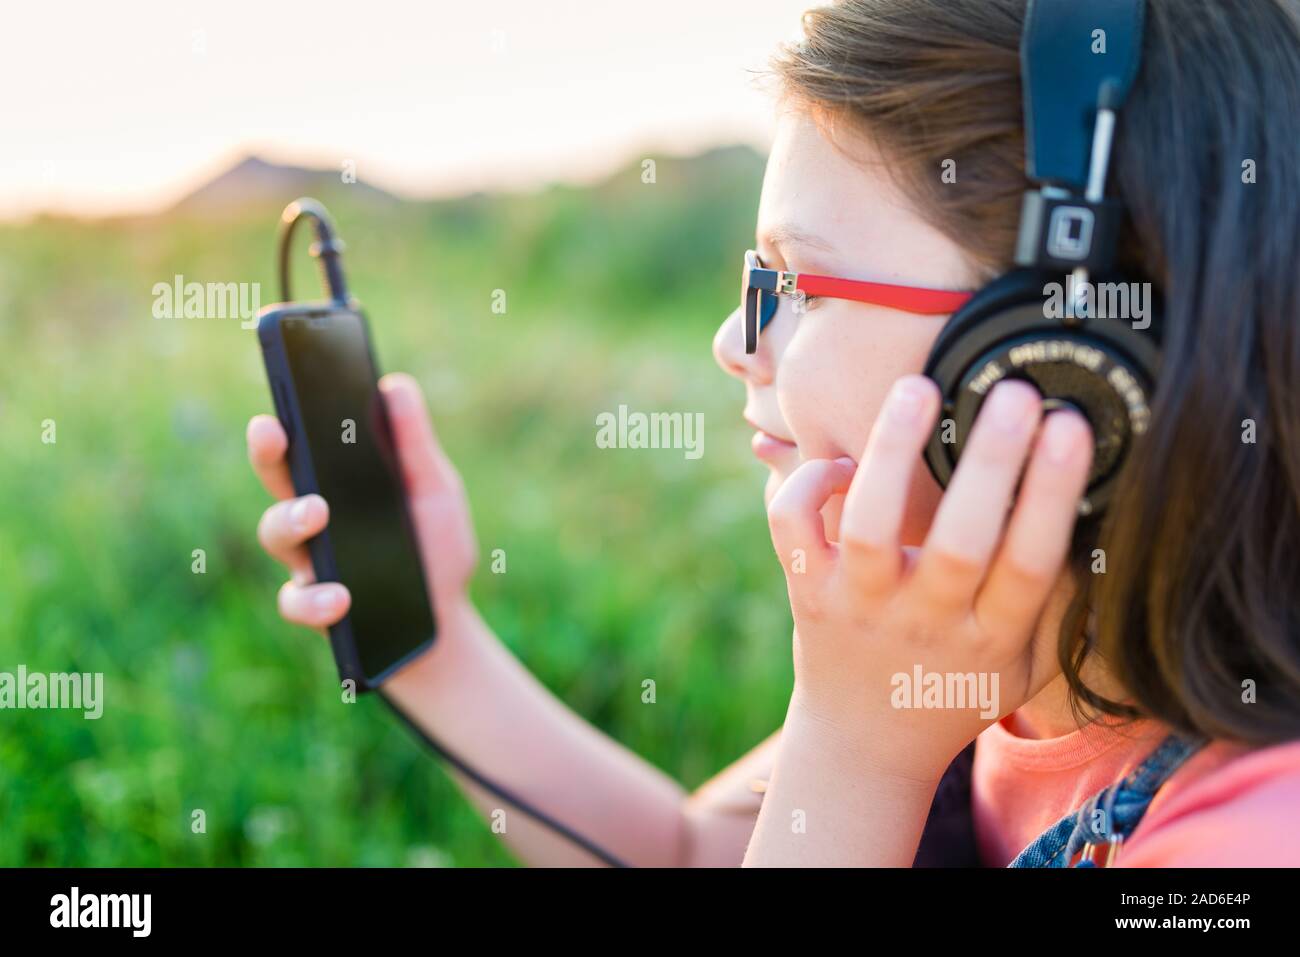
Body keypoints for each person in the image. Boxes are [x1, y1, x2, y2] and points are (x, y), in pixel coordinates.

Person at [245, 0, 1300, 866]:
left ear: (1053, 352)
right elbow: (687, 853)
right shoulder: (938, 645)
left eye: (789, 282)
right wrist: (434, 638)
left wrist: (861, 757)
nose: (729, 341)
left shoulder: (1249, 840)